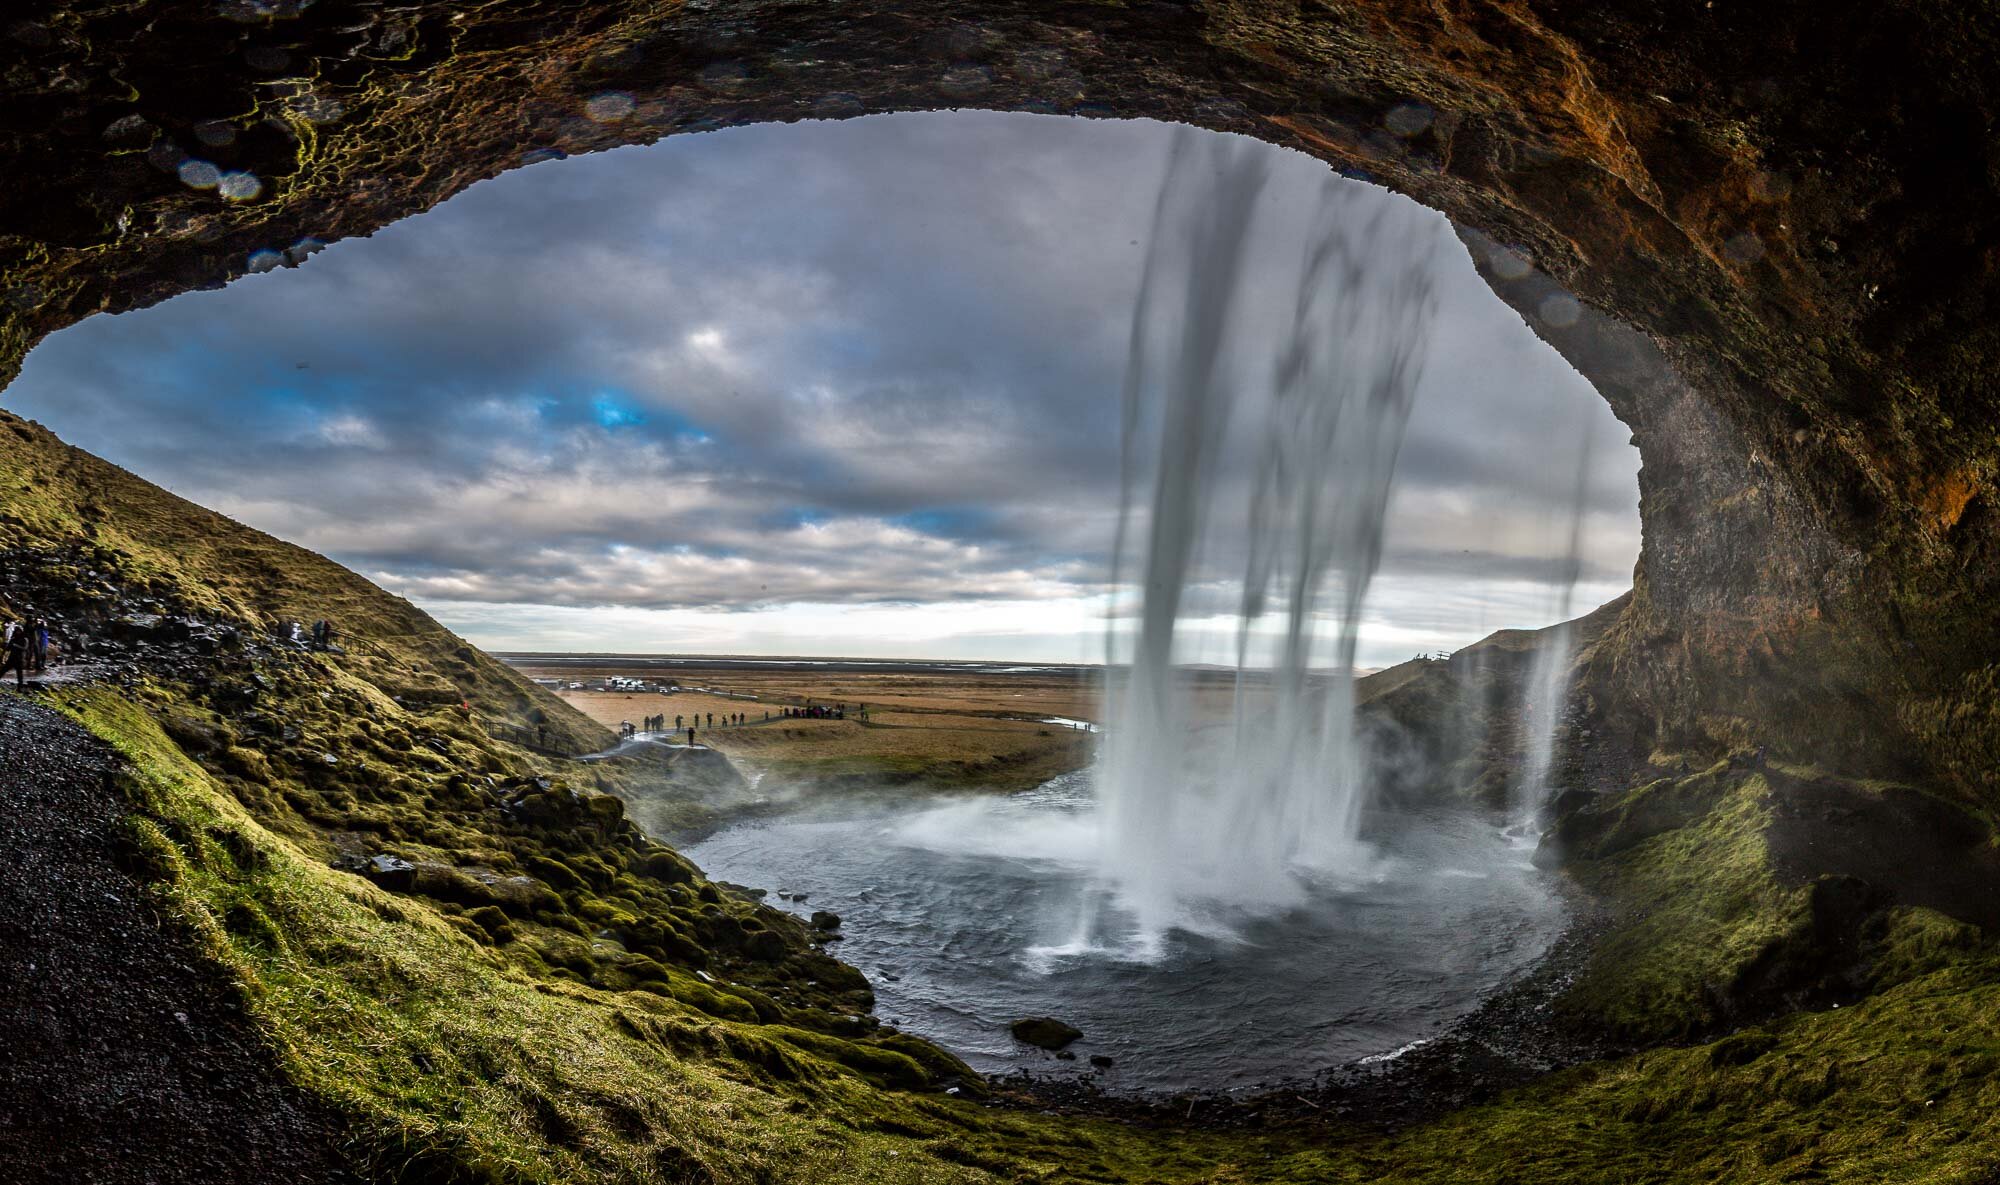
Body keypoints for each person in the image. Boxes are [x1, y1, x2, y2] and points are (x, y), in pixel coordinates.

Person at [2, 622, 27, 689]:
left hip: (19, 659)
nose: (17, 632)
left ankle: (20, 687)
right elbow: (8, 649)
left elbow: (25, 648)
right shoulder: (13, 639)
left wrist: (16, 646)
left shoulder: (24, 639)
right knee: (3, 670)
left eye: (19, 631)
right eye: (16, 631)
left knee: (19, 674)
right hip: (12, 658)